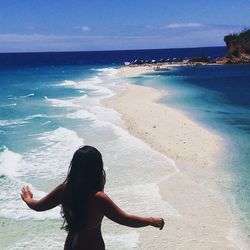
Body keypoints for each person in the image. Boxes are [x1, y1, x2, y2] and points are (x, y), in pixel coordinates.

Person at [21, 145, 165, 250]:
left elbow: (38, 206)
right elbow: (125, 219)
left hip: (71, 245)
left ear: (74, 167)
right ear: (97, 169)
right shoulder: (97, 198)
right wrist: (151, 221)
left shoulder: (65, 190)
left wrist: (28, 198)